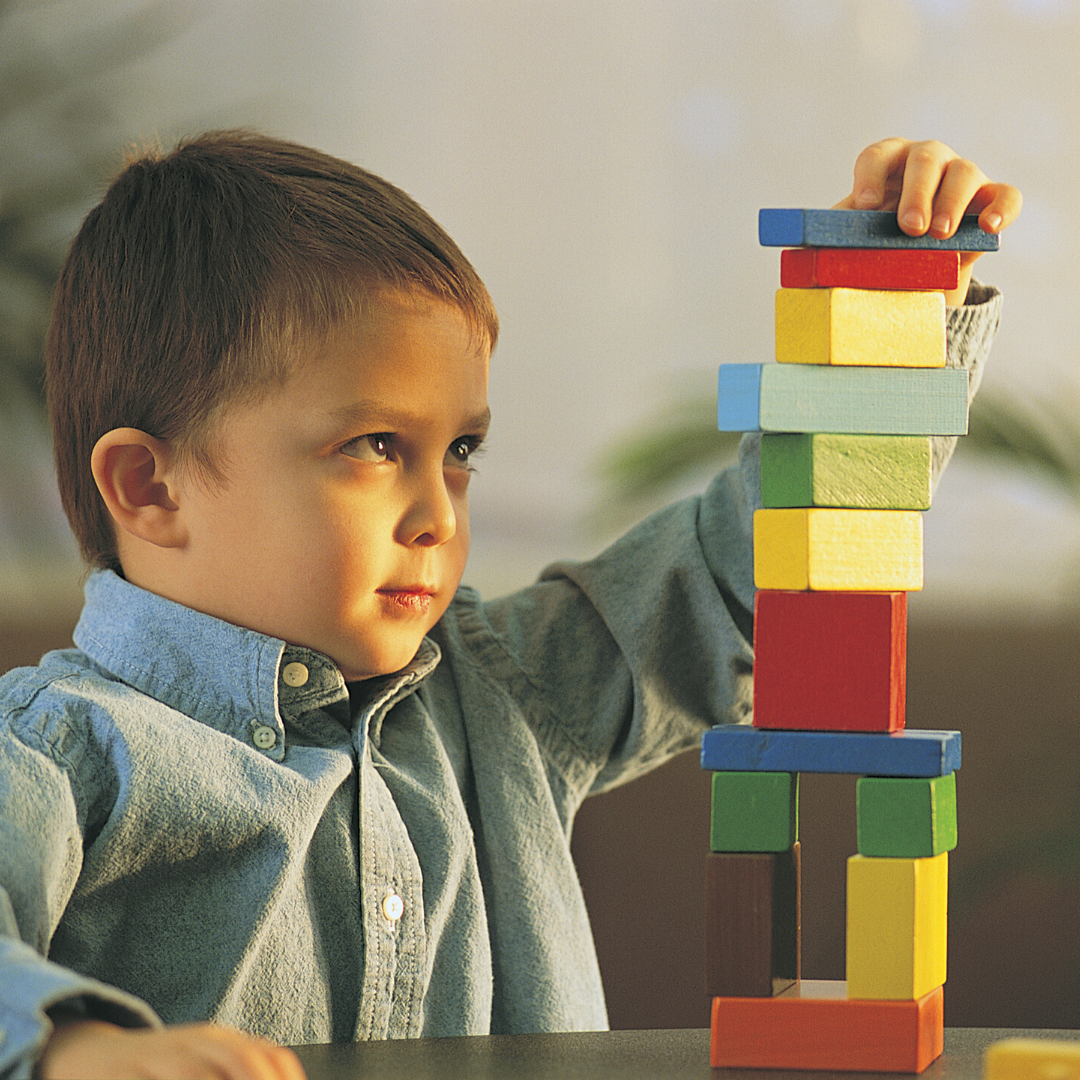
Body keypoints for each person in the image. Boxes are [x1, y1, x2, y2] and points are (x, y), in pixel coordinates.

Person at [0, 132, 1020, 1080]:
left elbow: (764, 565)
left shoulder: (512, 691)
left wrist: (892, 313)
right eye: (373, 448)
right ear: (147, 487)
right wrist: (73, 1048)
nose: (438, 513)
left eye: (461, 453)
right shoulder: (54, 751)